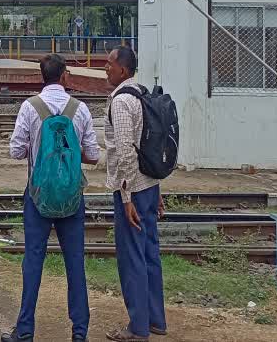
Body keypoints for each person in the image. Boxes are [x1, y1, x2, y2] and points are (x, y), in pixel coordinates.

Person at [2, 54, 100, 342]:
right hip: (71, 198)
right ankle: (80, 333)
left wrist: (39, 148)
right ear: (65, 76)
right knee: (75, 263)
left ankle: (25, 331)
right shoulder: (79, 109)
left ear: (41, 77)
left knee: (32, 262)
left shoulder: (29, 107)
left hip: (38, 196)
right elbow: (93, 156)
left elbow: (15, 151)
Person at [104, 45, 167, 341]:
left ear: (123, 70)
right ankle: (156, 321)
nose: (106, 68)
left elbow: (127, 151)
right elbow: (152, 145)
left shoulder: (120, 101)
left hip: (132, 190)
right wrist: (157, 188)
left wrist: (126, 197)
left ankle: (138, 327)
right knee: (151, 254)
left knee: (132, 257)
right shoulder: (142, 94)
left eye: (110, 64)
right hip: (149, 186)